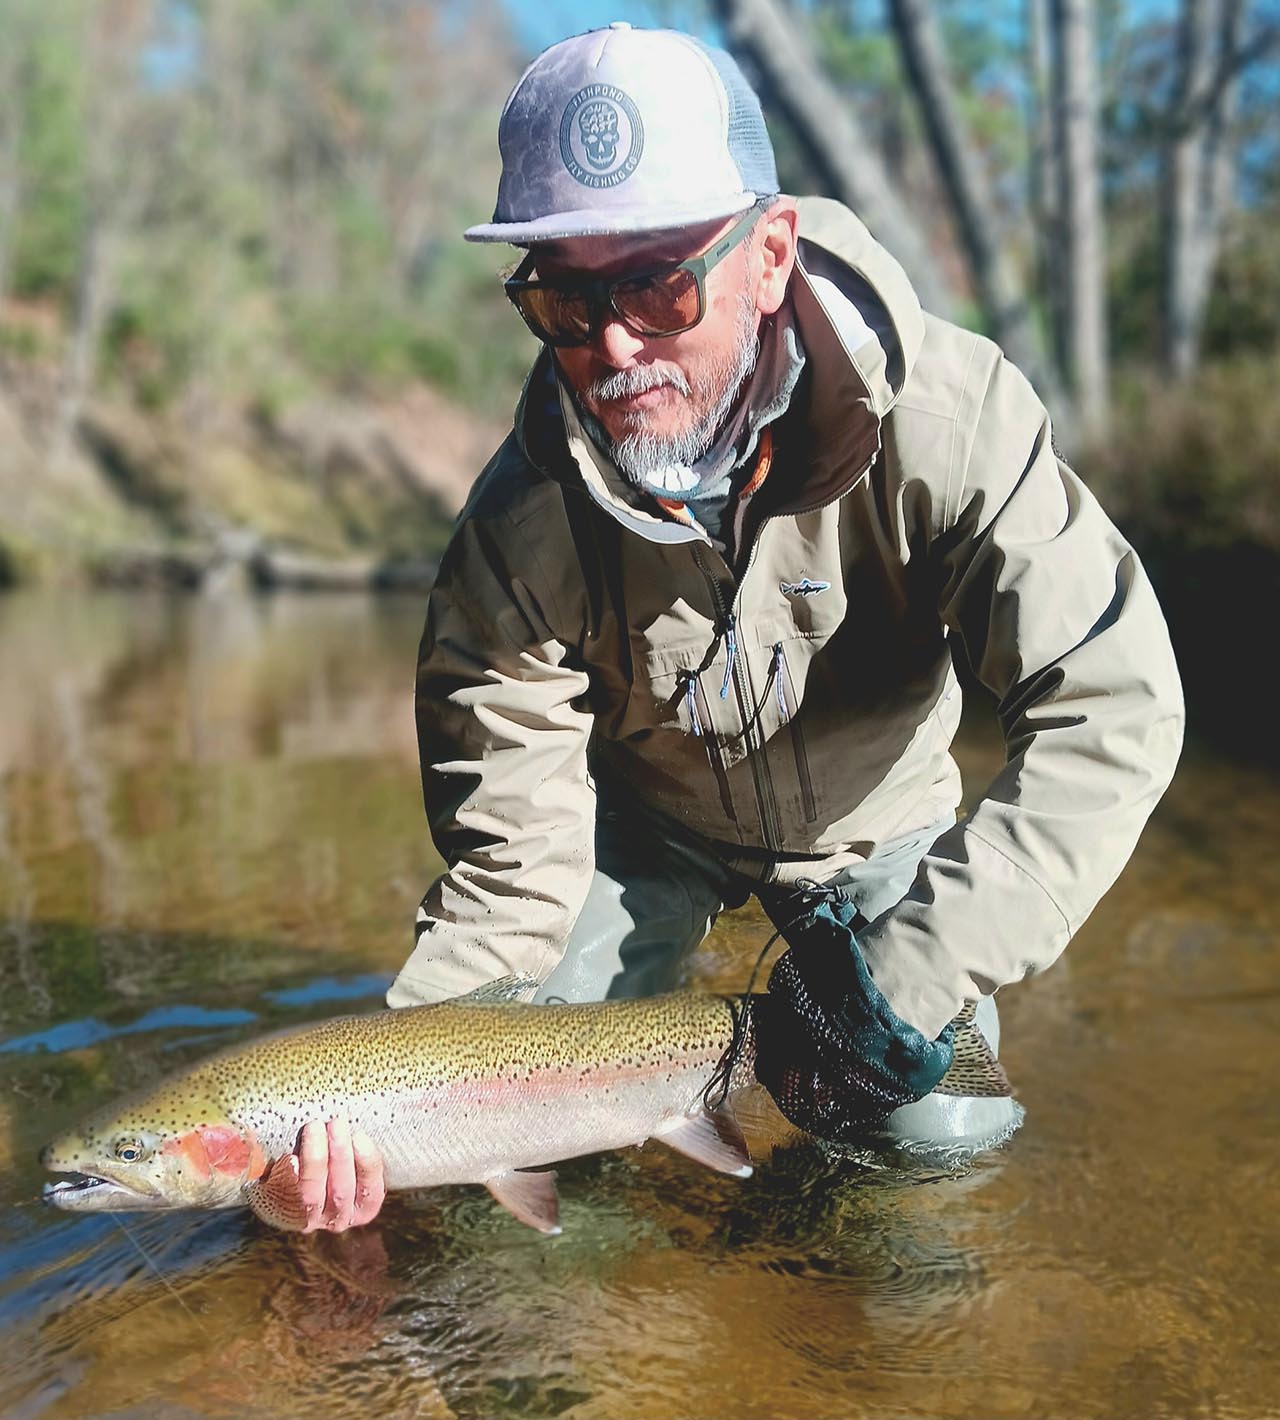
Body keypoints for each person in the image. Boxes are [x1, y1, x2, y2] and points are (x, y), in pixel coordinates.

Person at [291, 22, 1184, 1231]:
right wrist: (377, 1116)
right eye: (564, 296)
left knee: (925, 1145)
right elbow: (508, 871)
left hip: (881, 821)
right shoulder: (516, 532)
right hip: (646, 832)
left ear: (767, 255)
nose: (614, 346)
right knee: (490, 1147)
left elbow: (1112, 711)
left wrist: (907, 981)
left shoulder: (950, 424)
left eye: (660, 285)